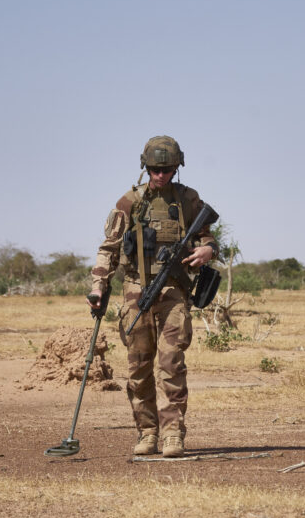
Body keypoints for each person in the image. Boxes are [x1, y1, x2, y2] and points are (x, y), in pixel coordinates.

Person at [86, 136, 218, 457]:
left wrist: (207, 250)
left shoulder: (188, 200)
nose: (161, 175)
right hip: (135, 292)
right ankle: (147, 431)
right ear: (145, 168)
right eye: (156, 169)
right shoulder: (129, 202)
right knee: (139, 366)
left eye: (168, 169)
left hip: (174, 291)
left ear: (177, 168)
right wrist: (98, 285)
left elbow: (208, 238)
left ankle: (173, 432)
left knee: (171, 362)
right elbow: (109, 249)